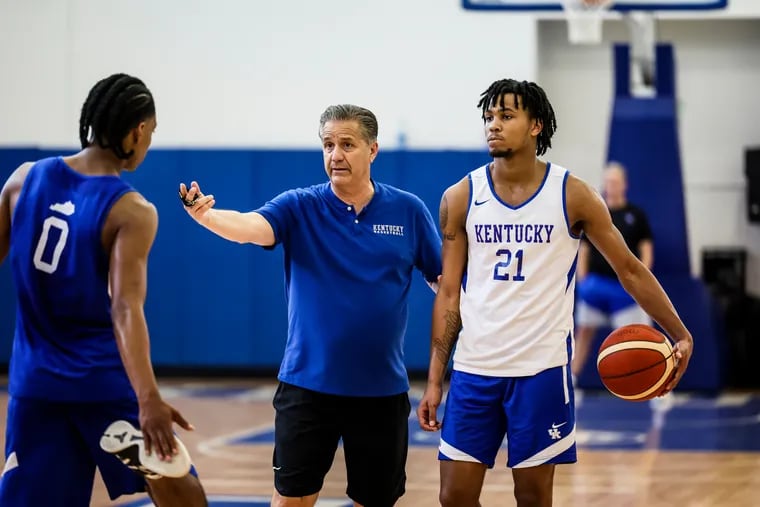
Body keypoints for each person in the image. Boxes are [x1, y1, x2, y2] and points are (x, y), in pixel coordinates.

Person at [416, 78, 693, 507]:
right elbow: (449, 292)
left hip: (541, 372)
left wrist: (679, 332)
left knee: (531, 496)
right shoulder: (461, 196)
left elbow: (630, 269)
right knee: (453, 496)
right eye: (489, 117)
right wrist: (435, 379)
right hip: (474, 370)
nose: (494, 125)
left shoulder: (574, 195)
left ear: (535, 126)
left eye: (506, 116)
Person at [179, 104, 442, 507]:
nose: (335, 155)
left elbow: (444, 283)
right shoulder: (299, 206)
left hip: (381, 392)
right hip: (307, 388)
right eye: (328, 144)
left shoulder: (408, 210)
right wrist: (207, 217)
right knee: (291, 501)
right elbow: (252, 227)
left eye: (347, 144)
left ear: (373, 150)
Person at [0, 73, 207, 507]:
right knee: (183, 493)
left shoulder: (21, 180)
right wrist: (149, 399)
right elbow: (125, 308)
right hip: (102, 383)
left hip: (35, 385)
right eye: (150, 134)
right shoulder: (131, 210)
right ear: (138, 132)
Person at [571, 161, 654, 386]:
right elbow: (584, 248)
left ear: (624, 185)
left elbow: (646, 248)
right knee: (584, 331)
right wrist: (583, 279)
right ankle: (572, 380)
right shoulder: (597, 212)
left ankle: (656, 384)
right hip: (597, 285)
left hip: (625, 289)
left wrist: (641, 280)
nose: (611, 186)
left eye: (615, 182)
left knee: (641, 338)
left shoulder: (635, 215)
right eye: (608, 182)